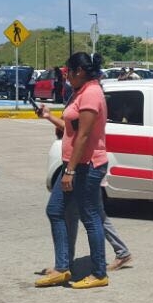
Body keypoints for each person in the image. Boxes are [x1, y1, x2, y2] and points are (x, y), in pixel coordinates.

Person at [34, 52, 112, 289]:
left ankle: (99, 273)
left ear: (79, 71)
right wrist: (48, 117)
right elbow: (71, 128)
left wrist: (70, 171)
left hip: (85, 166)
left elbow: (84, 136)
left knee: (90, 218)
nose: (66, 76)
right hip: (75, 164)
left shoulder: (91, 93)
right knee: (55, 210)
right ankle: (62, 267)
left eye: (68, 72)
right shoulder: (81, 92)